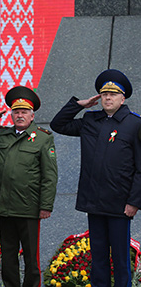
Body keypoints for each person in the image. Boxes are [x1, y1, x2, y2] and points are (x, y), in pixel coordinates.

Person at [50, 69, 141, 287]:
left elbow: (140, 168)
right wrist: (79, 105)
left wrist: (134, 202)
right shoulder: (91, 120)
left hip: (120, 205)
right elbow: (58, 125)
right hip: (94, 201)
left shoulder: (135, 124)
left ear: (123, 97)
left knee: (120, 260)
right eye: (104, 94)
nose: (108, 98)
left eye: (113, 94)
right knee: (98, 258)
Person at [0, 86, 58, 287]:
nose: (20, 115)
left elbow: (50, 176)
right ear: (11, 114)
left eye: (24, 112)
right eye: (16, 112)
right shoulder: (2, 135)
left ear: (32, 115)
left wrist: (46, 205)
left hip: (29, 207)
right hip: (5, 205)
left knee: (31, 256)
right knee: (8, 255)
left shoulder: (43, 138)